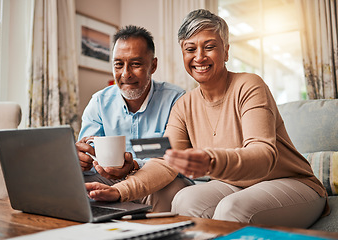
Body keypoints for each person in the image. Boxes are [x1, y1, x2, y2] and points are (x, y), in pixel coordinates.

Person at [161, 9, 329, 228]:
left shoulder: (250, 85)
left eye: (209, 47)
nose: (199, 56)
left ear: (226, 52)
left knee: (232, 208)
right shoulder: (183, 104)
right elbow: (164, 162)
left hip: (291, 182)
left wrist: (210, 160)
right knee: (184, 199)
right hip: (236, 185)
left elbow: (263, 155)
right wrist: (122, 186)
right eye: (190, 49)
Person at [76, 25, 191, 211]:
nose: (126, 74)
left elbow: (177, 162)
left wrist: (134, 166)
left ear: (153, 65)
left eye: (136, 64)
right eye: (118, 64)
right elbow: (88, 154)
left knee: (172, 192)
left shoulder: (176, 100)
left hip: (158, 179)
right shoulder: (99, 102)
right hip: (108, 176)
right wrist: (80, 160)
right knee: (73, 184)